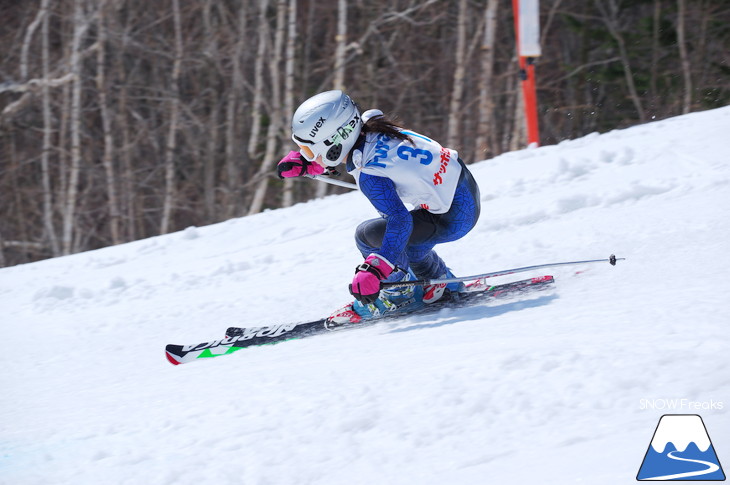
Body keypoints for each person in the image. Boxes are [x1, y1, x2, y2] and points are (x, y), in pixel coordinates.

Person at [277, 90, 481, 326]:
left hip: (452, 216)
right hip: (464, 189)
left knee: (368, 235)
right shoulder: (371, 126)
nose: (306, 155)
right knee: (411, 247)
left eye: (310, 150)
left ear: (333, 143)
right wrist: (312, 164)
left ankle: (398, 296)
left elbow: (400, 221)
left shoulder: (369, 175)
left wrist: (376, 270)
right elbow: (375, 157)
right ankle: (439, 283)